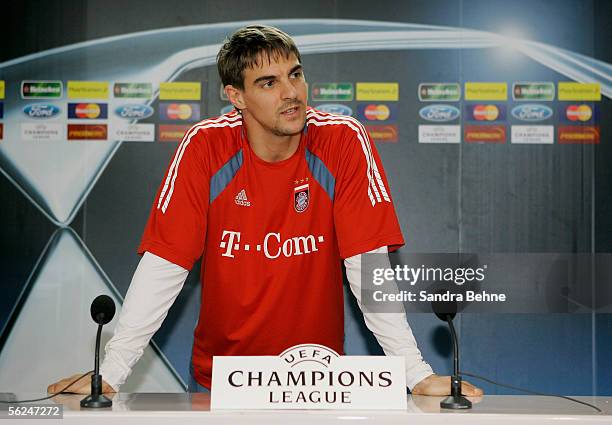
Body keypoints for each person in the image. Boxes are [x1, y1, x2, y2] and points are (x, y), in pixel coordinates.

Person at [48, 25, 482, 397]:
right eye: (269, 83)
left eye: (295, 74)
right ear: (235, 96)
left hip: (318, 381)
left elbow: (368, 267)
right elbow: (164, 264)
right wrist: (114, 370)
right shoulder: (205, 147)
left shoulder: (342, 141)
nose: (291, 93)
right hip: (222, 381)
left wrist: (415, 374)